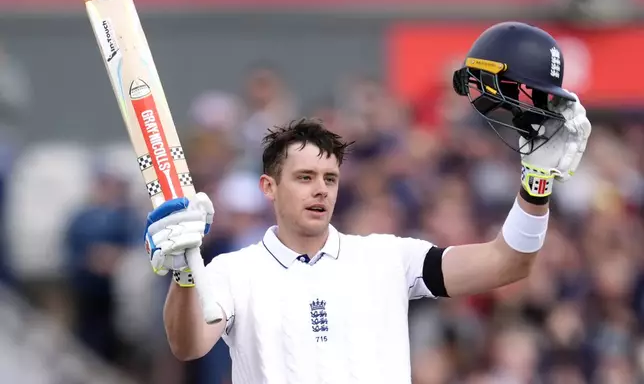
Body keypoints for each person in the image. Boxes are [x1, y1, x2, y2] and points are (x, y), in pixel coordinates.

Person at [144, 21, 592, 383]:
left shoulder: (387, 258)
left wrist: (536, 184)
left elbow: (507, 263)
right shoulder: (232, 271)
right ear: (268, 187)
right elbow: (188, 345)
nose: (321, 189)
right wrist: (185, 274)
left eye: (330, 178)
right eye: (304, 177)